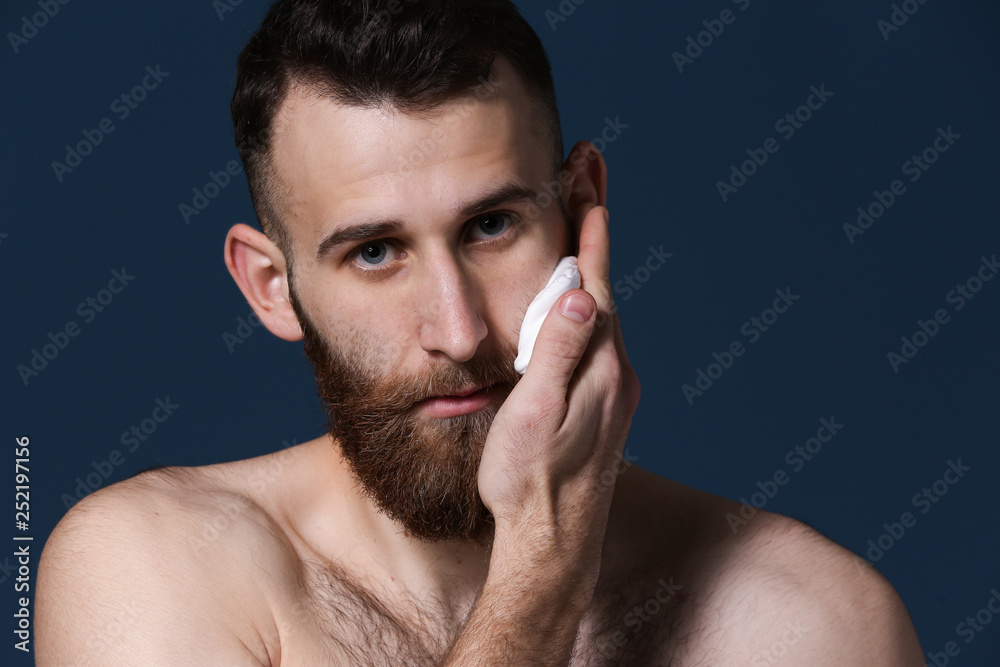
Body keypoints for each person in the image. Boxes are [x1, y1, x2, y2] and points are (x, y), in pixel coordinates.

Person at [36, 1, 924, 664]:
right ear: (273, 287)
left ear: (580, 212)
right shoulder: (149, 569)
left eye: (491, 227)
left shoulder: (815, 624)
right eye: (376, 251)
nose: (458, 332)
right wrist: (541, 570)